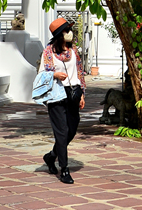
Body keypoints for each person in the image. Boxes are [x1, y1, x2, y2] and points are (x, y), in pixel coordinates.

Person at [41, 17, 85, 184]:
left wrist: (82, 94)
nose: (69, 33)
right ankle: (64, 169)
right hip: (57, 95)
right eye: (66, 30)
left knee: (71, 130)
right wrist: (55, 74)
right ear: (60, 34)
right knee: (62, 131)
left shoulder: (73, 51)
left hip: (73, 93)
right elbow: (42, 75)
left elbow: (80, 72)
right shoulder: (48, 52)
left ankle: (51, 156)